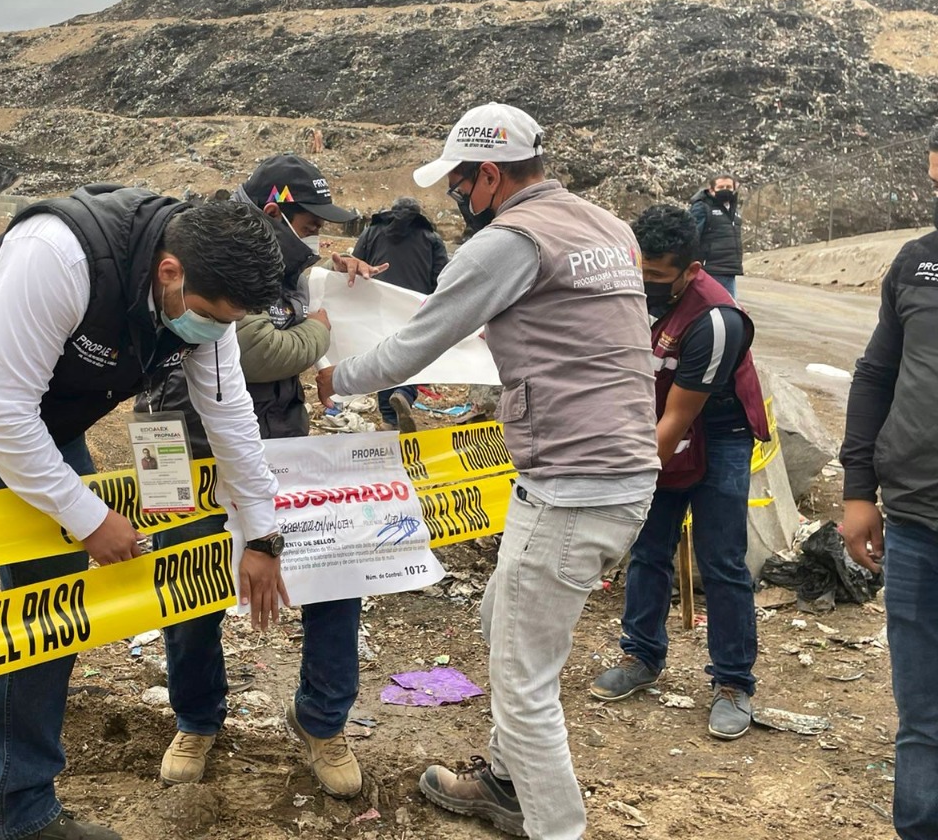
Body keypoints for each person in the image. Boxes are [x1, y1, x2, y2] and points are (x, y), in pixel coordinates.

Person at [0, 187, 291, 840]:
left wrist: (264, 534)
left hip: (43, 420)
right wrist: (88, 516)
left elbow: (229, 414)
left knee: (51, 615)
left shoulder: (198, 300)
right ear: (170, 272)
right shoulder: (60, 255)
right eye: (214, 316)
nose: (215, 331)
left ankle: (22, 812)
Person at [317, 103, 659, 840]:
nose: (457, 201)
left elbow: (415, 345)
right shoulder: (606, 227)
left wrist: (330, 376)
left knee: (522, 684)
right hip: (616, 472)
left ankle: (552, 827)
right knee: (497, 614)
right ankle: (505, 782)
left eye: (461, 186)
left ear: (492, 174)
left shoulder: (509, 242)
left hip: (573, 485)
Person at [136, 154, 383, 800]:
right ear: (272, 211)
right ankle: (196, 720)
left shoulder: (287, 262)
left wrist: (338, 280)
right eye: (306, 223)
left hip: (275, 445)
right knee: (189, 588)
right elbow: (259, 350)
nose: (314, 236)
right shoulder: (214, 253)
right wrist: (320, 329)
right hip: (177, 443)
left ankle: (323, 720)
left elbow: (299, 299)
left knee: (335, 572)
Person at [589, 204, 770, 740]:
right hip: (659, 423)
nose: (644, 286)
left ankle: (733, 682)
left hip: (717, 437)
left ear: (691, 270)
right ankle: (642, 657)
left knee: (722, 562)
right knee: (648, 549)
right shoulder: (632, 290)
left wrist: (624, 476)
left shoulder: (717, 320)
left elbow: (677, 420)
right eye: (639, 271)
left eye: (658, 277)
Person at [839, 123, 938, 840]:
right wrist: (857, 489)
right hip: (915, 525)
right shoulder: (916, 263)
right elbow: (876, 375)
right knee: (923, 714)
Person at [351, 196, 449, 433]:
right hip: (414, 308)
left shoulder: (372, 232)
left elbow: (355, 261)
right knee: (416, 357)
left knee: (386, 358)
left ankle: (389, 418)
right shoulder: (431, 239)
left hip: (379, 306)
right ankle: (404, 393)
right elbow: (442, 279)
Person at [688, 175, 743, 298]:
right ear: (712, 190)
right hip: (710, 270)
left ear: (735, 188)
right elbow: (692, 236)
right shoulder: (702, 207)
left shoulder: (734, 211)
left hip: (729, 269)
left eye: (728, 187)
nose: (725, 189)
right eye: (721, 187)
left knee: (729, 309)